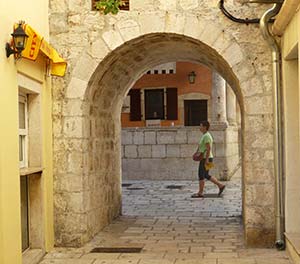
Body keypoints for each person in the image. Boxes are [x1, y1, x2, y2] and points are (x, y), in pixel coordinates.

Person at [191, 121, 225, 198]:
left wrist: (206, 160)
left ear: (205, 127)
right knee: (206, 175)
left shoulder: (206, 136)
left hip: (206, 158)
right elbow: (201, 147)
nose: (200, 127)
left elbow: (208, 148)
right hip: (208, 157)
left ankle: (200, 192)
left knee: (201, 175)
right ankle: (221, 185)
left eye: (201, 126)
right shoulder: (205, 135)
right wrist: (197, 153)